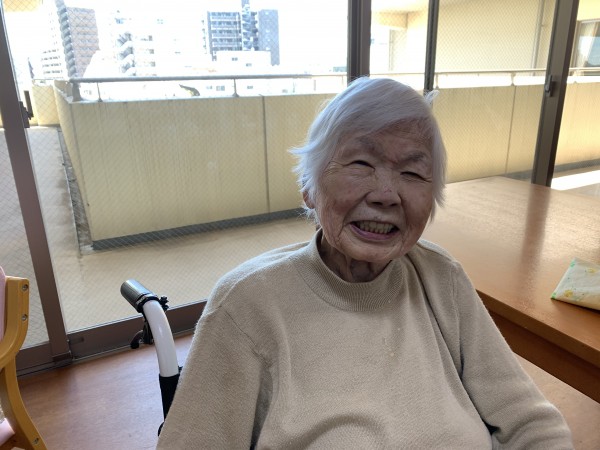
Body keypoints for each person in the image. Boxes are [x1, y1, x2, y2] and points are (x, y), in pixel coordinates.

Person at [157, 77, 573, 449]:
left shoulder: (440, 276)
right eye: (361, 164)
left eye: (412, 173)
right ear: (308, 187)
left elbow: (529, 421)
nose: (386, 195)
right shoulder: (247, 305)